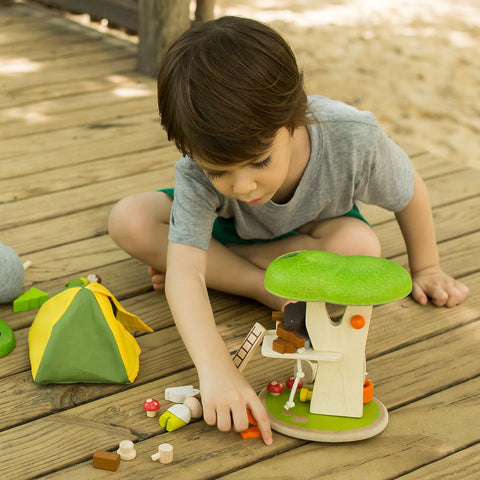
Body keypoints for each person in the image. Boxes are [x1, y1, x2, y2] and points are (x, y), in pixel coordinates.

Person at [108, 16, 469, 445]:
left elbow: (410, 191)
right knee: (128, 219)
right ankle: (264, 286)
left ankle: (229, 273)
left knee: (361, 247)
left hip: (308, 240)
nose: (243, 186)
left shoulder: (352, 137)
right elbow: (184, 275)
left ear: (293, 117)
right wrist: (217, 370)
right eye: (219, 171)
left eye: (260, 161)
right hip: (227, 233)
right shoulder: (196, 169)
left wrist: (426, 266)